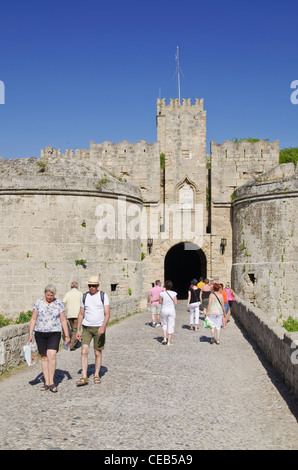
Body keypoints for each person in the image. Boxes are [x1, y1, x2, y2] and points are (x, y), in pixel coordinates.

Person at [28, 284, 70, 392]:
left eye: (51, 295)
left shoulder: (59, 304)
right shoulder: (38, 303)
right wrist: (30, 333)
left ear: (54, 295)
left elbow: (63, 320)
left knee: (52, 355)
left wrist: (67, 335)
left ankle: (52, 382)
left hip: (54, 333)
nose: (49, 297)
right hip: (40, 333)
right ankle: (46, 382)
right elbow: (33, 318)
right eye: (48, 295)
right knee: (44, 357)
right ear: (45, 293)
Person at [76, 276, 110, 386]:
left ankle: (96, 374)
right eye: (90, 285)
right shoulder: (84, 296)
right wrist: (77, 329)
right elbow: (81, 313)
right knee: (84, 350)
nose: (91, 288)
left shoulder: (103, 296)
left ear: (98, 286)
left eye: (93, 286)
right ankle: (84, 376)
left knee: (97, 352)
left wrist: (103, 326)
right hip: (86, 327)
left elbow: (107, 313)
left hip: (99, 328)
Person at [63, 281, 83, 350]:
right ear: (77, 286)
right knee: (76, 330)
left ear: (71, 286)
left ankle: (75, 343)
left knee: (73, 329)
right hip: (77, 314)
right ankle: (72, 345)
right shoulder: (80, 294)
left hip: (69, 314)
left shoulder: (67, 293)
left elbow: (63, 303)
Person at [159, 280, 177, 346]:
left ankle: (164, 339)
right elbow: (175, 302)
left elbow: (160, 302)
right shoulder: (174, 293)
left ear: (165, 286)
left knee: (164, 324)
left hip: (164, 309)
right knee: (171, 325)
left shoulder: (162, 293)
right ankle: (169, 342)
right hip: (171, 310)